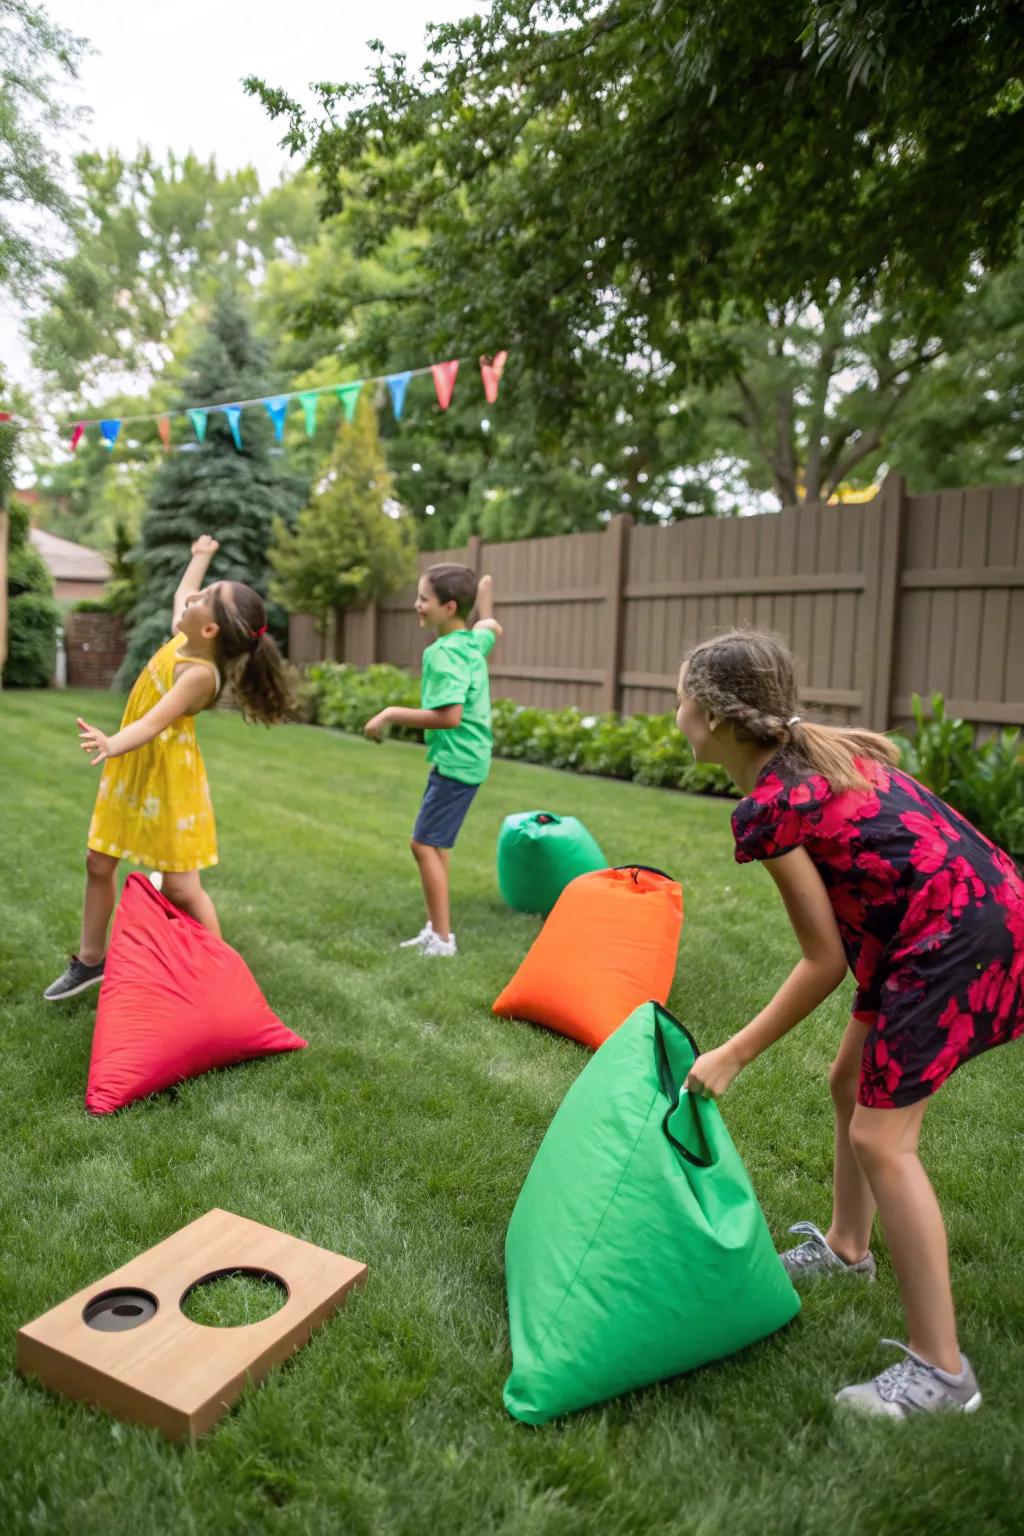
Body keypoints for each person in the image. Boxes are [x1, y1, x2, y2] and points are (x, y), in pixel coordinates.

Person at [675, 629, 1023, 1418]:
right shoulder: (812, 758)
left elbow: (821, 960)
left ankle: (942, 1373)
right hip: (941, 922)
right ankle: (846, 1249)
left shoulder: (769, 808)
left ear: (716, 721)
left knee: (881, 1139)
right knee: (847, 1082)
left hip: (955, 936)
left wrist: (733, 1053)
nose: (678, 715)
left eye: (681, 701)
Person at [43, 536, 293, 1000]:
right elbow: (183, 595)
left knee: (181, 888)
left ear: (211, 631)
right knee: (98, 860)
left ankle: (223, 977)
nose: (190, 600)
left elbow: (155, 722)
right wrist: (200, 558)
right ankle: (91, 961)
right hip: (134, 768)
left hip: (165, 779)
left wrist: (112, 742)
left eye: (202, 600)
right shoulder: (188, 637)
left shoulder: (200, 674)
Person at [364, 564, 501, 957]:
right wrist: (486, 595)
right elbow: (489, 624)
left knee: (422, 844)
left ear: (449, 606)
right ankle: (436, 929)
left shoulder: (445, 654)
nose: (417, 605)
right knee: (437, 847)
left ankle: (442, 940)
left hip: (458, 762)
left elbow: (449, 716)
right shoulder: (472, 642)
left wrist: (389, 713)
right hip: (465, 758)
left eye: (424, 599)